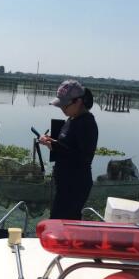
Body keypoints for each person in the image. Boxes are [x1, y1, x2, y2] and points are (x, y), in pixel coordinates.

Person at [39, 80, 98, 219]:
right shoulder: (73, 119)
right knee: (57, 220)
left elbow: (82, 158)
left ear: (78, 102)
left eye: (64, 105)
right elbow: (67, 146)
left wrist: (53, 145)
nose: (62, 109)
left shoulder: (87, 123)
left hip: (75, 184)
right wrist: (52, 141)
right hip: (64, 181)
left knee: (63, 223)